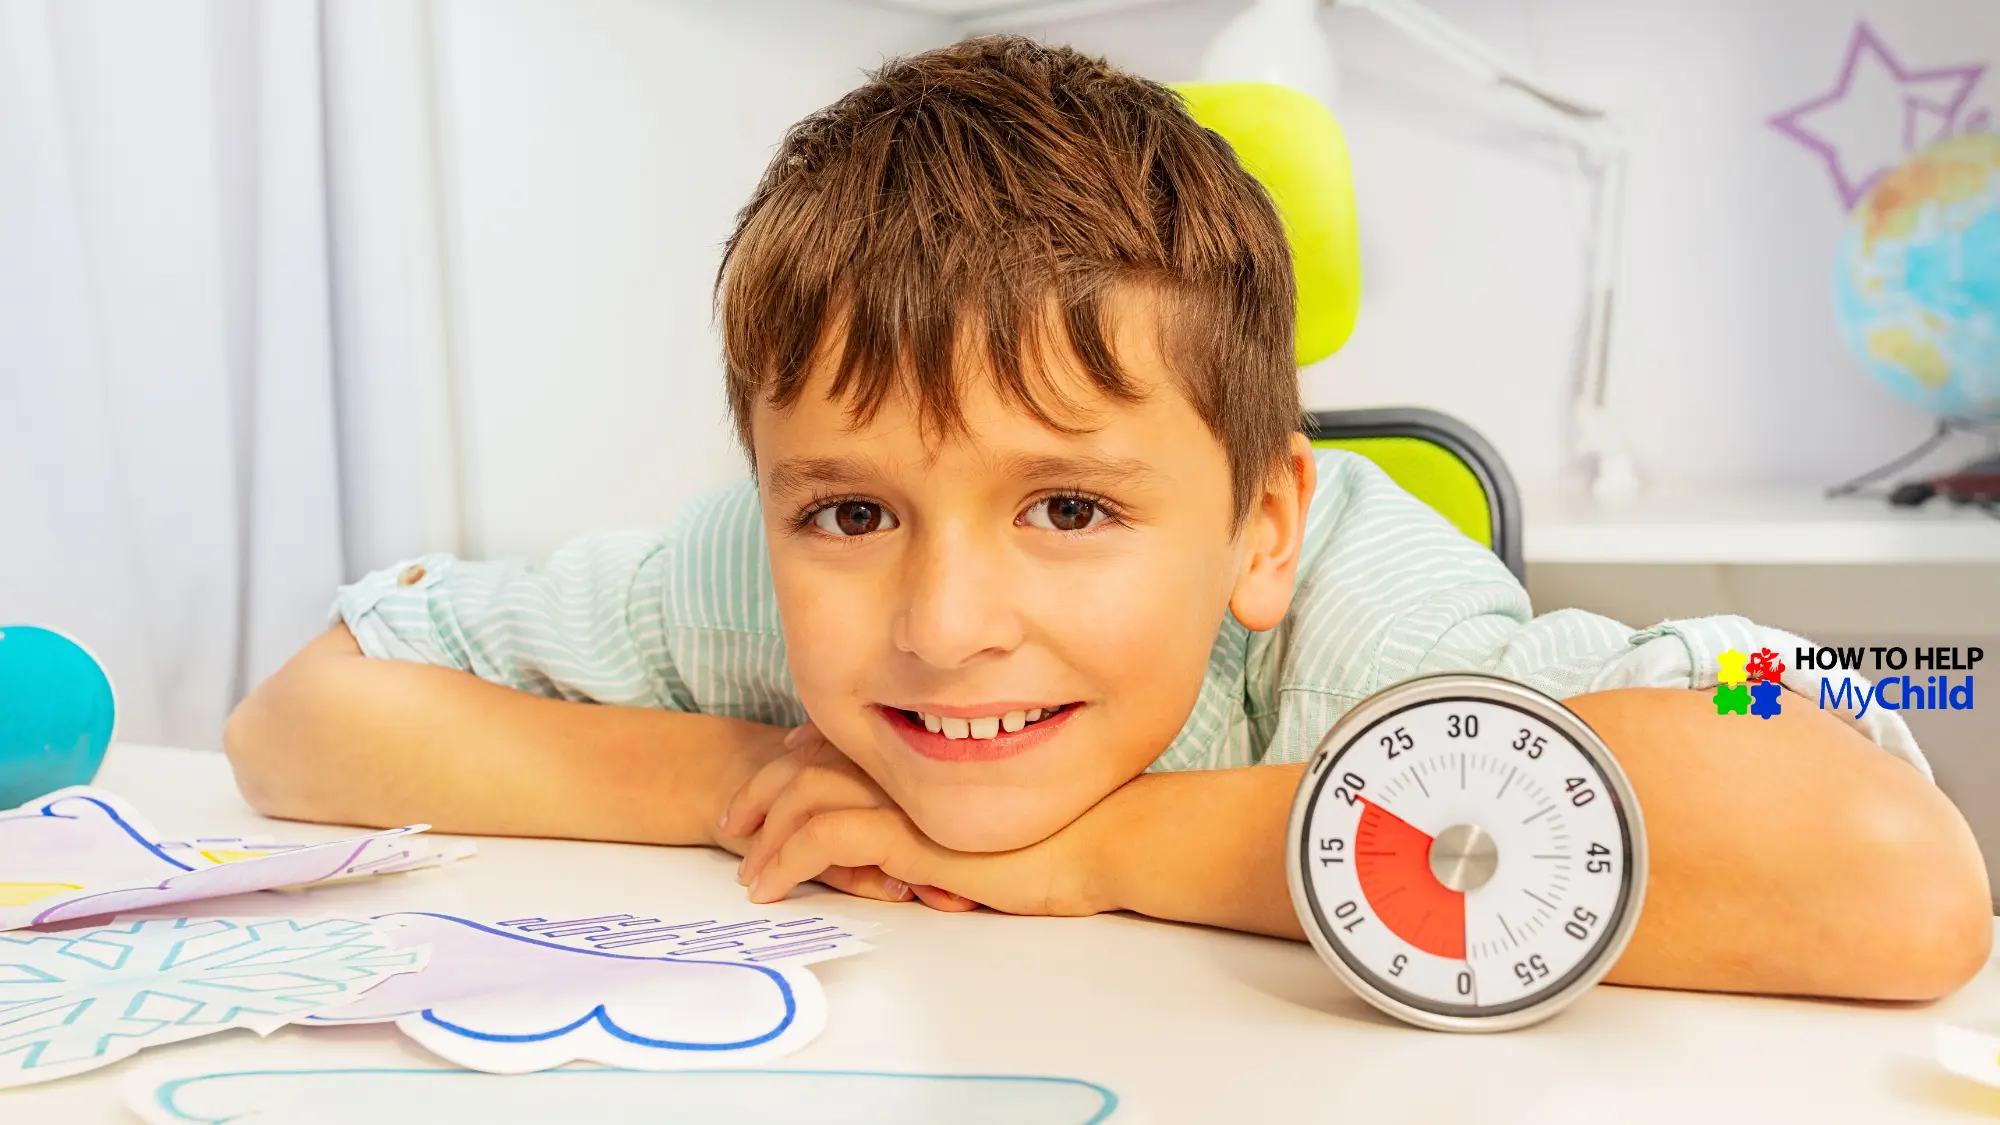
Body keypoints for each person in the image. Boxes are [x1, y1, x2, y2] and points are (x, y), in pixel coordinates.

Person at [225, 36, 1990, 1001]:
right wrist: (730, 779)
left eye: (1066, 504)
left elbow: (1894, 873)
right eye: (848, 508)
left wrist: (1099, 851)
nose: (942, 620)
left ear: (1260, 528)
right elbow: (297, 718)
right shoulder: (748, 590)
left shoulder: (1375, 626)